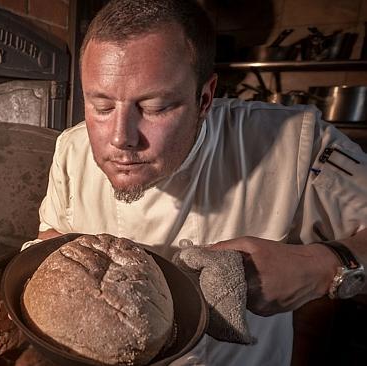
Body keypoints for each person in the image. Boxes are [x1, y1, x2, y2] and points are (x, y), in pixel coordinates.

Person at [26, 0, 367, 365]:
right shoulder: (72, 148)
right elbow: (52, 235)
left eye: (155, 107)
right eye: (102, 106)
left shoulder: (294, 144)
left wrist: (321, 268)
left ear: (204, 98)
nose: (121, 138)